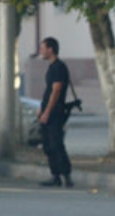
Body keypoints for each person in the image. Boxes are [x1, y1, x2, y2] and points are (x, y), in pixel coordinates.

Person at [37, 37, 74, 188]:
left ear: (50, 49)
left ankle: (66, 175)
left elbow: (56, 91)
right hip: (48, 111)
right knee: (48, 145)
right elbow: (47, 91)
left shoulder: (59, 67)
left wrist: (47, 112)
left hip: (55, 112)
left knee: (56, 143)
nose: (41, 51)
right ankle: (55, 175)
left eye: (43, 48)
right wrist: (41, 108)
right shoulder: (52, 67)